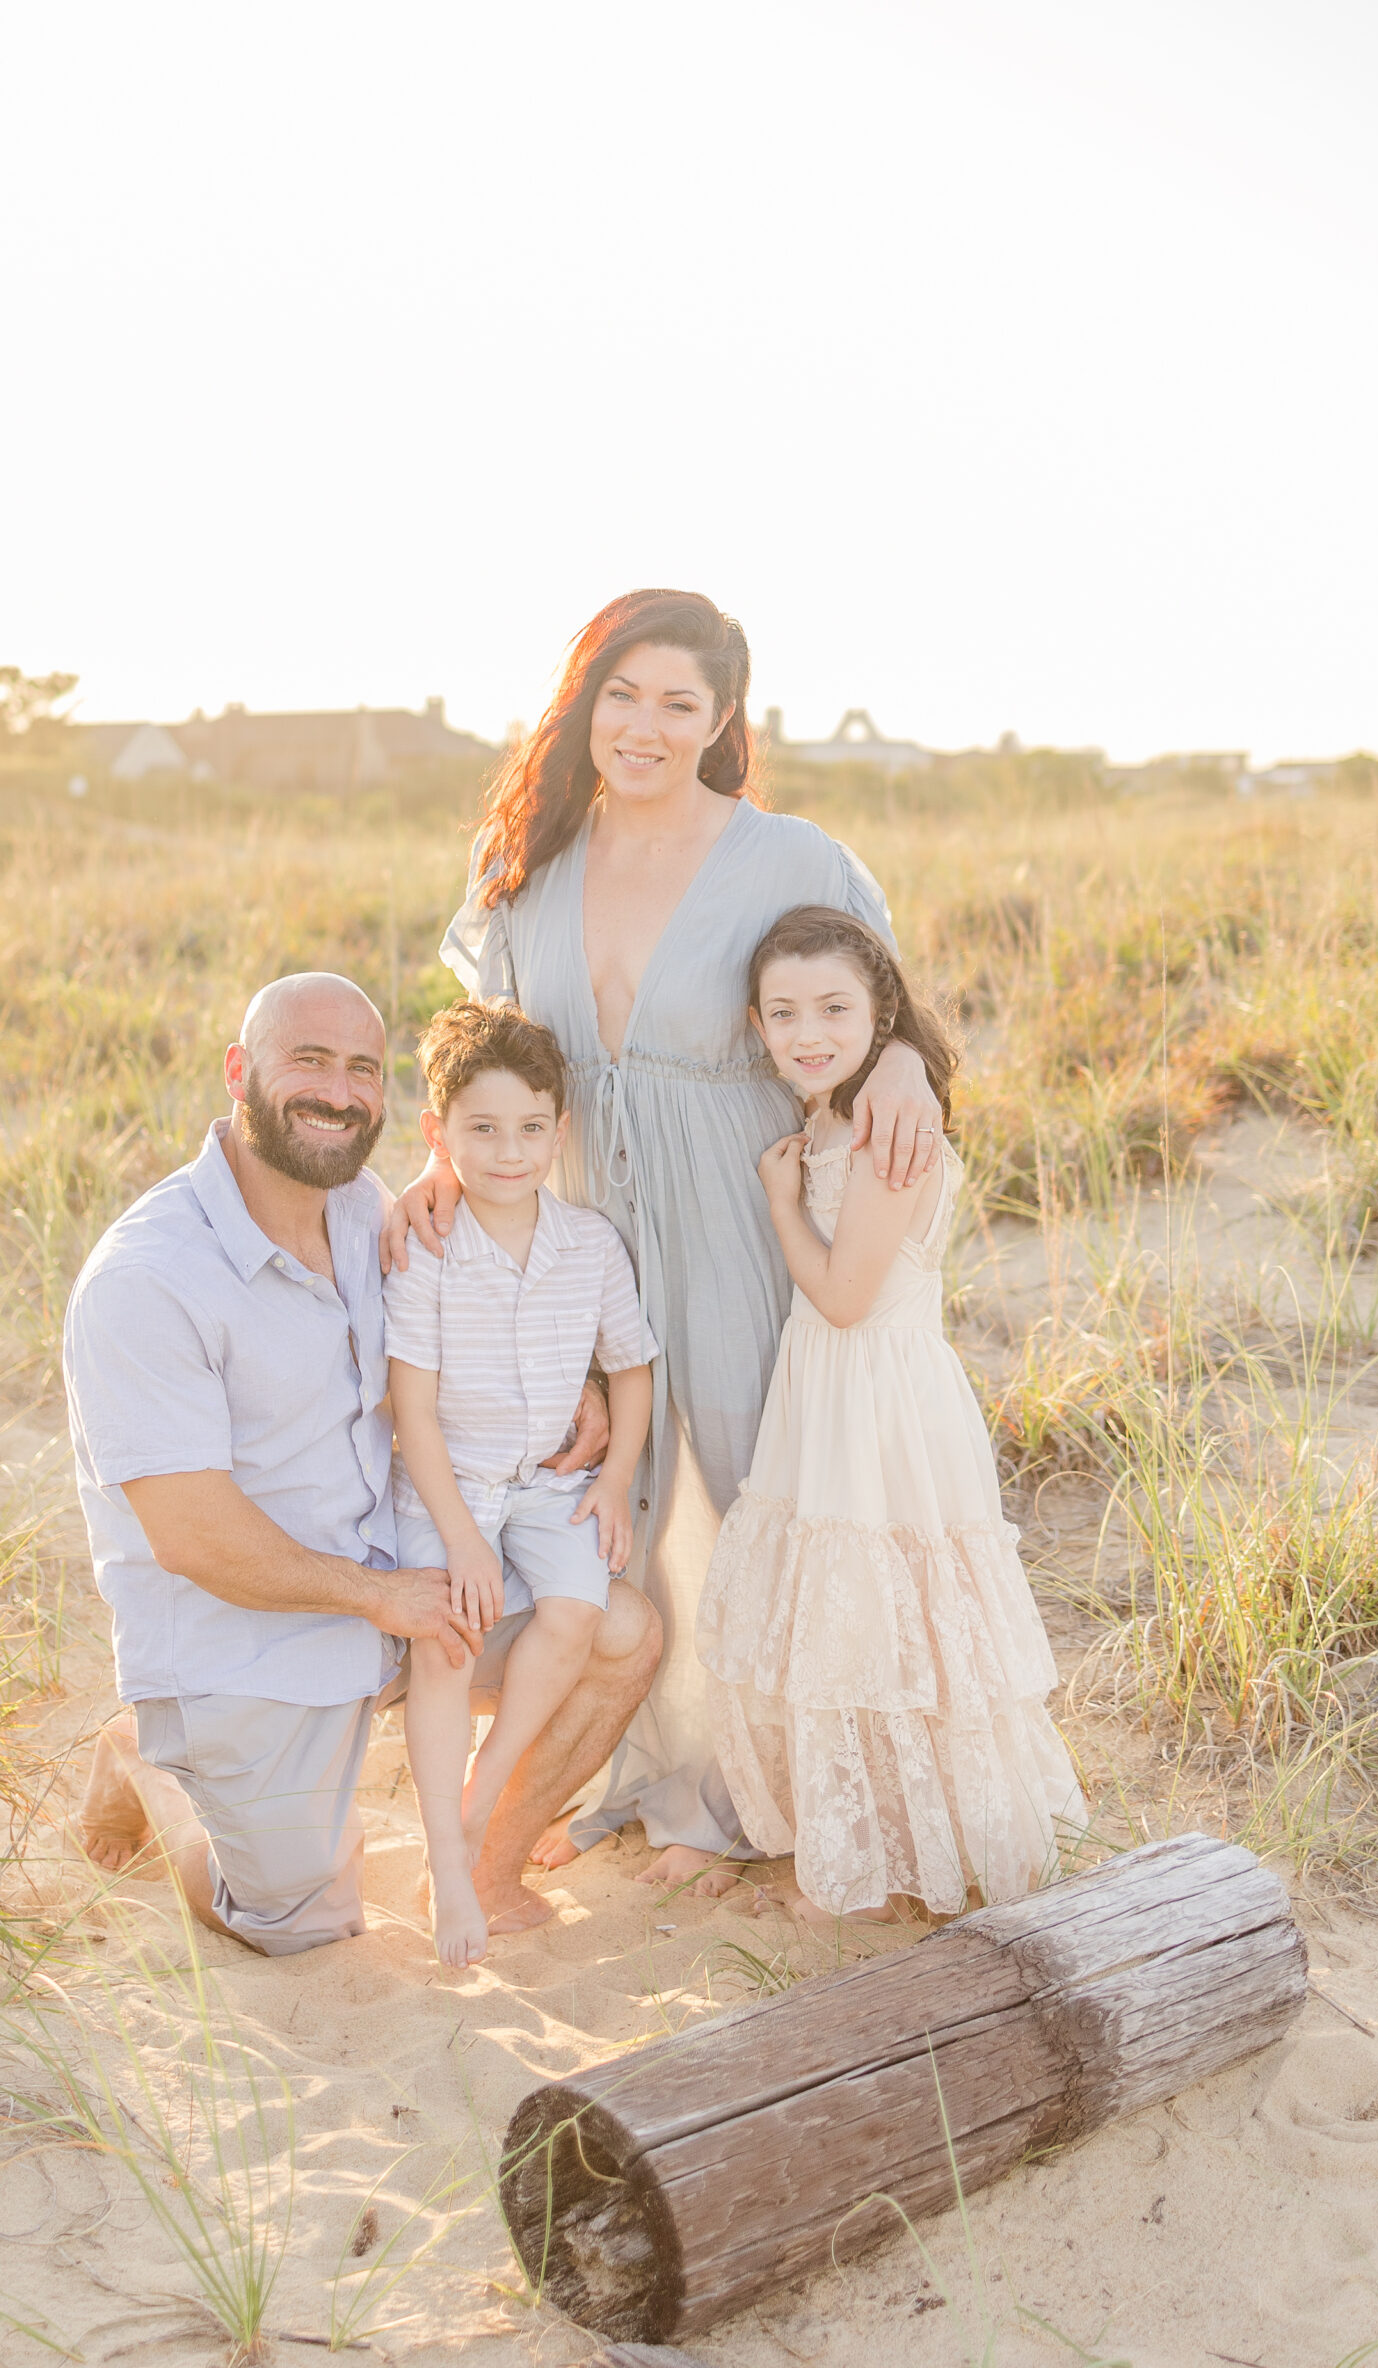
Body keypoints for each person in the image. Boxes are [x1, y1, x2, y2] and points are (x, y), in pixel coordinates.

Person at [390, 589, 946, 1894]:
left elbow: (871, 1003)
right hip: (584, 1222)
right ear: (582, 701)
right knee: (616, 1506)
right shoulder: (526, 866)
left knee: (766, 1488)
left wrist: (909, 1072)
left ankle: (797, 1783)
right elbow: (499, 1055)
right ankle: (656, 1770)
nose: (642, 726)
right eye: (619, 695)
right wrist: (438, 1160)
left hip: (743, 1214)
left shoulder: (788, 855)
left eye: (676, 704)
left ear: (720, 721)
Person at [64, 971, 661, 1954]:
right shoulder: (147, 1281)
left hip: (408, 1577)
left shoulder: (368, 1210)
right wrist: (381, 1600)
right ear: (237, 1072)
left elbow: (478, 1313)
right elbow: (192, 1536)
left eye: (361, 1069)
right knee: (299, 1917)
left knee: (620, 1629)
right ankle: (147, 1762)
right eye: (308, 1060)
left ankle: (477, 1864)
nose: (337, 1092)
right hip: (256, 1639)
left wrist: (579, 1394)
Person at [697, 908, 1086, 1919]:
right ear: (756, 1023)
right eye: (784, 1012)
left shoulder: (881, 1131)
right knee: (853, 1617)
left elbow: (844, 1295)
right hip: (829, 1393)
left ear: (883, 1015)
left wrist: (780, 1203)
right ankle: (865, 1844)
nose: (808, 1029)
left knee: (899, 1617)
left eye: (834, 1006)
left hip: (879, 1400)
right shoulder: (834, 1113)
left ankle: (931, 1851)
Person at [387, 1000, 655, 1968]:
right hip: (447, 1483)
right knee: (450, 1634)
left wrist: (618, 1474)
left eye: (532, 1129)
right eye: (483, 1130)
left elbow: (631, 1366)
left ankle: (472, 1804)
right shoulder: (426, 1249)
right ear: (437, 1134)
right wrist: (459, 1536)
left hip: (545, 1483)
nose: (510, 1152)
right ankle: (448, 1865)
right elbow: (413, 1413)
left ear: (560, 1129)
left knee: (579, 1605)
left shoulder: (586, 1245)